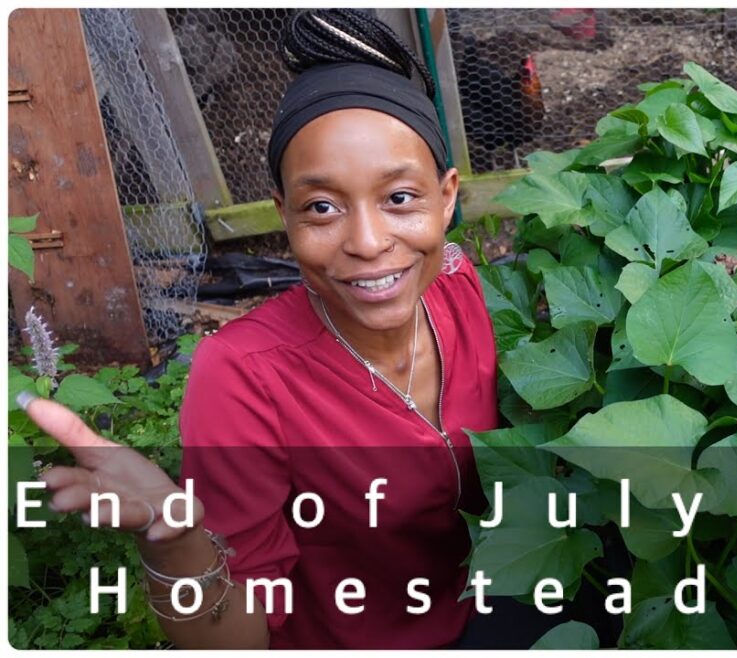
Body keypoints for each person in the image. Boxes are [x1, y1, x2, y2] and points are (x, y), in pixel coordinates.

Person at [19, 9, 498, 649]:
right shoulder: (244, 379)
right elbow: (233, 640)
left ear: (447, 197)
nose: (367, 241)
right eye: (322, 207)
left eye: (399, 199)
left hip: (497, 602)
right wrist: (180, 540)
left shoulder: (461, 290)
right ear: (284, 216)